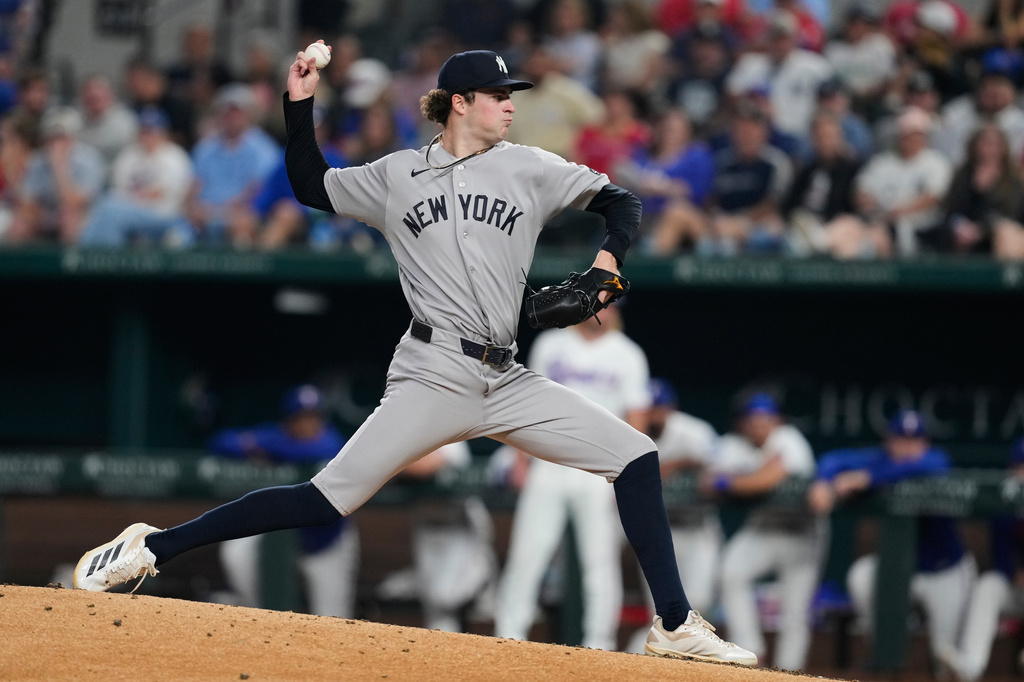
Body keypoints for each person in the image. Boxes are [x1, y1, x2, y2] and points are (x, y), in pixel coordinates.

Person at [73, 45, 756, 667]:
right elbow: (312, 185)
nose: (512, 104)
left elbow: (622, 203)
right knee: (323, 501)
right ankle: (150, 546)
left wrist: (608, 262)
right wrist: (300, 102)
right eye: (499, 94)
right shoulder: (397, 175)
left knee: (635, 458)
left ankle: (672, 623)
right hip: (433, 372)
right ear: (461, 102)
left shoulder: (533, 167)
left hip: (507, 375)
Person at [495, 303, 647, 651]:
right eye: (598, 303)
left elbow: (636, 418)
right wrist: (521, 459)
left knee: (600, 562)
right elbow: (525, 403)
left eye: (610, 305)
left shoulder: (628, 354)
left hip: (599, 469)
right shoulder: (551, 344)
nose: (603, 311)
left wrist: (627, 473)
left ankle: (599, 644)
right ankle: (508, 635)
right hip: (549, 461)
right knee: (527, 555)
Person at [808, 410, 976, 673]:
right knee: (861, 576)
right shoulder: (881, 461)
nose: (908, 447)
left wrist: (868, 478)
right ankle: (883, 647)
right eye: (901, 440)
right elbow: (834, 459)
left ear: (925, 443)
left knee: (942, 657)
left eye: (915, 441)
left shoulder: (934, 461)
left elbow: (928, 464)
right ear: (889, 441)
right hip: (899, 572)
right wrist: (822, 481)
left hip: (944, 571)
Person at [208, 385, 359, 618]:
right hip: (278, 534)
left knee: (334, 619)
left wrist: (272, 450)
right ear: (287, 421)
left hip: (326, 542)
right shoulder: (277, 436)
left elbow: (321, 450)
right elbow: (221, 441)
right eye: (300, 417)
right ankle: (256, 613)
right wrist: (276, 446)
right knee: (237, 550)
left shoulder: (332, 441)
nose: (308, 424)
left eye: (313, 417)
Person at [706, 392, 824, 671]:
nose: (759, 426)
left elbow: (768, 479)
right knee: (731, 572)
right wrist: (747, 478)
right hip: (763, 527)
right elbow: (708, 482)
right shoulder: (732, 444)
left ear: (777, 421)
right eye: (753, 420)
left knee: (795, 611)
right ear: (743, 423)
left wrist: (735, 481)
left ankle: (789, 671)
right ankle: (750, 651)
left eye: (766, 420)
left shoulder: (789, 439)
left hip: (802, 532)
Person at [625, 378, 721, 653]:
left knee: (701, 602)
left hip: (697, 527)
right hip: (659, 532)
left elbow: (722, 470)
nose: (655, 414)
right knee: (660, 613)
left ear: (671, 409)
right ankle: (638, 663)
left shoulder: (695, 431)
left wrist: (679, 464)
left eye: (660, 408)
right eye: (650, 409)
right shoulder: (629, 431)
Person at [376, 441, 498, 633]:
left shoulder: (453, 440)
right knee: (435, 607)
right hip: (427, 528)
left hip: (460, 525)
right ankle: (441, 656)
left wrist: (396, 460)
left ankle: (481, 581)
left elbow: (426, 465)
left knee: (445, 595)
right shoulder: (411, 437)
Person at [935, 438, 1024, 682]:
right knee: (988, 586)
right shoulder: (1003, 502)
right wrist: (1015, 574)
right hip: (1014, 588)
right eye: (1021, 468)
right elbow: (1001, 556)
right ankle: (970, 665)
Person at [77, 107, 193, 248]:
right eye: (144, 131)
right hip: (132, 212)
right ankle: (99, 258)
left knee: (110, 208)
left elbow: (158, 193)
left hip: (164, 215)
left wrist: (132, 199)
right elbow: (119, 190)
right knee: (108, 210)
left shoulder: (174, 156)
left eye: (153, 131)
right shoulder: (129, 155)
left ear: (164, 133)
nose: (148, 136)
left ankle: (88, 254)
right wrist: (132, 200)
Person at [183, 83, 280, 246]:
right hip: (204, 213)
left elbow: (260, 189)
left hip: (242, 214)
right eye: (227, 113)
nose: (231, 118)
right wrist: (193, 208)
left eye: (237, 112)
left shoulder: (263, 148)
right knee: (178, 233)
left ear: (250, 115)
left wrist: (226, 210)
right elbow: (194, 186)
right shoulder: (206, 147)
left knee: (241, 228)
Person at [6, 106, 106, 244]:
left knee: (68, 218)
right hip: (49, 213)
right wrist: (11, 174)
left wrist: (59, 166)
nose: (55, 143)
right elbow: (27, 205)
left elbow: (74, 203)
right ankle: (20, 265)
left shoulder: (88, 160)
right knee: (19, 224)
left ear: (72, 138)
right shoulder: (38, 161)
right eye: (51, 138)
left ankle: (72, 265)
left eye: (61, 137)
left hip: (87, 216)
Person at [939, 123, 1024, 256]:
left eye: (995, 144)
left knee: (1006, 234)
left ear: (1003, 148)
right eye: (985, 143)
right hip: (964, 232)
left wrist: (982, 230)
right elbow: (951, 209)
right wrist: (959, 226)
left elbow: (1013, 213)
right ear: (975, 145)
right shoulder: (963, 173)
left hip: (999, 230)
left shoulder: (1013, 177)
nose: (990, 149)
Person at [76, 74, 139, 166]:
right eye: (90, 99)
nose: (94, 103)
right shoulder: (76, 121)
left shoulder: (126, 121)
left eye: (98, 98)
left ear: (111, 95)